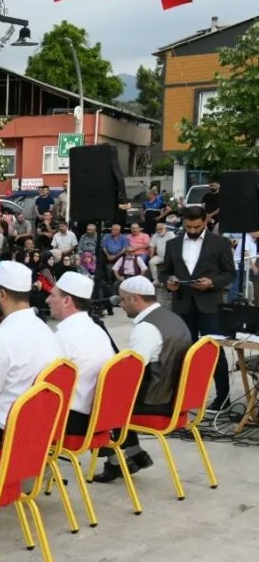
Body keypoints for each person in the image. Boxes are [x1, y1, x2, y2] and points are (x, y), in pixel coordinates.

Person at [94, 276, 185, 481]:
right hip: (171, 393)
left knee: (98, 397)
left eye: (124, 300)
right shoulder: (173, 318)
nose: (121, 305)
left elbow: (129, 373)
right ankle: (133, 452)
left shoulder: (146, 329)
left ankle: (117, 462)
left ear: (135, 299)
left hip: (155, 399)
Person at [159, 206, 236, 410]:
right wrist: (169, 281)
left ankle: (223, 397)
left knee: (213, 352)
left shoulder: (220, 243)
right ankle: (183, 397)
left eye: (197, 227)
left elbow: (229, 273)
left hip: (209, 304)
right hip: (183, 304)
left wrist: (212, 282)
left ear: (205, 222)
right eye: (188, 227)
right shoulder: (173, 244)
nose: (192, 231)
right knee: (184, 352)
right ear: (183, 223)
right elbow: (164, 272)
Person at [0, 261, 62, 448]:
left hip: (4, 432)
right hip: (36, 429)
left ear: (2, 294)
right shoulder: (46, 331)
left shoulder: (1, 340)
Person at [48, 272, 115, 435]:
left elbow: (43, 384)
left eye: (52, 295)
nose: (47, 300)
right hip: (97, 418)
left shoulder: (64, 337)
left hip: (70, 421)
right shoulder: (98, 331)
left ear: (66, 300)